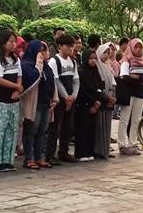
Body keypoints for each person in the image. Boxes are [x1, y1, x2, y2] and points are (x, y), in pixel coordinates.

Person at [0, 30, 22, 172]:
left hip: (13, 101)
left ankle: (8, 159)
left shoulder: (15, 59)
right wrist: (16, 86)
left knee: (11, 130)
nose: (14, 44)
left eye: (15, 42)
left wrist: (17, 90)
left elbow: (19, 75)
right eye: (10, 41)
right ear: (2, 42)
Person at [46, 34, 79, 164]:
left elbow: (76, 80)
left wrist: (73, 96)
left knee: (67, 126)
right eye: (68, 46)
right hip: (59, 99)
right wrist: (66, 97)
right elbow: (56, 80)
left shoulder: (73, 61)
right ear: (59, 46)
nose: (71, 48)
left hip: (71, 98)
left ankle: (63, 152)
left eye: (72, 46)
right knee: (55, 127)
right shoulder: (55, 61)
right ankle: (50, 154)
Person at [117, 38, 143, 155]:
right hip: (128, 93)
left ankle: (133, 143)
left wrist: (136, 77)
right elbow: (124, 76)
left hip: (140, 93)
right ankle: (122, 144)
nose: (137, 49)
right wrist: (141, 78)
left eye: (140, 47)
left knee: (136, 120)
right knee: (124, 119)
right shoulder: (126, 60)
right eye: (135, 47)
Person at [19, 40, 47, 170]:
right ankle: (29, 158)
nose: (42, 53)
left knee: (41, 131)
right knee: (31, 130)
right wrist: (39, 63)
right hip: (33, 103)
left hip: (45, 102)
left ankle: (38, 156)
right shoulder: (27, 64)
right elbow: (33, 78)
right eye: (40, 50)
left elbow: (52, 82)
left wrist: (54, 98)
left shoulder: (46, 65)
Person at [74, 49, 103, 161]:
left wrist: (97, 102)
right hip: (83, 104)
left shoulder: (95, 71)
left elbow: (100, 86)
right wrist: (92, 102)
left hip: (95, 104)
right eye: (91, 58)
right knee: (82, 128)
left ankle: (89, 151)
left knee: (91, 128)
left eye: (95, 58)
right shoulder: (81, 71)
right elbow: (82, 90)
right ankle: (81, 153)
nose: (93, 61)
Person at [94, 42, 118, 160]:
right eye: (105, 52)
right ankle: (99, 150)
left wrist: (112, 96)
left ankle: (105, 150)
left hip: (109, 98)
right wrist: (107, 97)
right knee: (100, 125)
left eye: (108, 53)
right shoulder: (97, 67)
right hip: (101, 99)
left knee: (107, 125)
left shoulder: (107, 66)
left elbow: (113, 82)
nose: (106, 55)